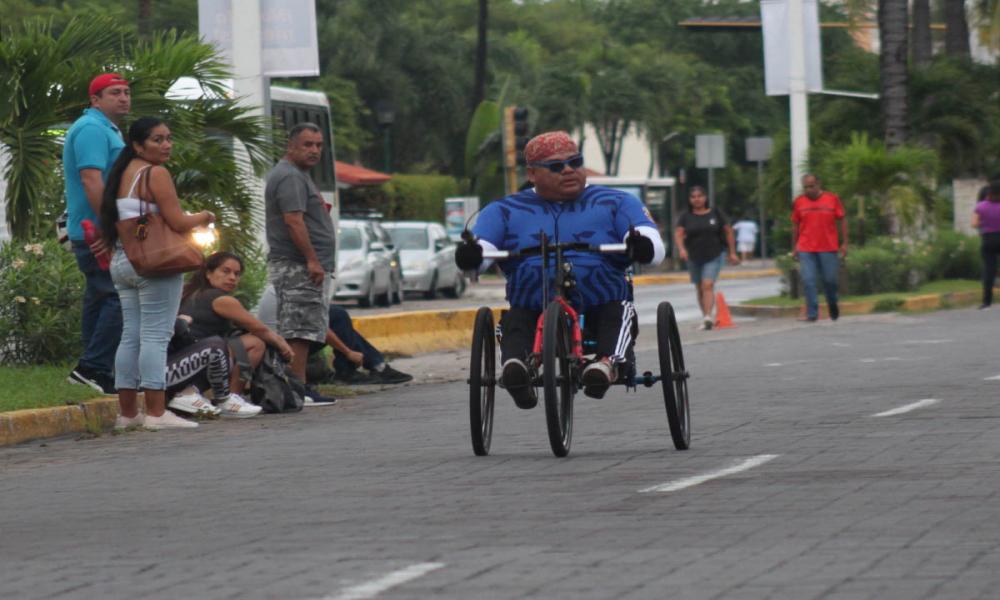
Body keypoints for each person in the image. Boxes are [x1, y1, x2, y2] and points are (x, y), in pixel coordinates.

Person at [455, 131, 665, 404]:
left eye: (575, 162)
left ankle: (605, 365)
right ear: (531, 174)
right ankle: (517, 369)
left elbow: (651, 242)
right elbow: (482, 251)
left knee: (619, 311)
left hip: (602, 304)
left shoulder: (616, 202)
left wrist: (640, 245)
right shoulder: (504, 210)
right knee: (516, 319)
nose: (568, 170)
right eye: (556, 166)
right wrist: (472, 255)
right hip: (532, 305)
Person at [99, 117, 216, 430]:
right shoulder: (156, 173)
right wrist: (206, 215)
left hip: (124, 260)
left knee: (132, 335)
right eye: (157, 140)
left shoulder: (123, 173)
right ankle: (155, 412)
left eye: (168, 138)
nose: (166, 145)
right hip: (155, 264)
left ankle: (127, 414)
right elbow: (177, 222)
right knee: (155, 336)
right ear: (138, 145)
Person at [63, 73, 131, 394]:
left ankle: (91, 369)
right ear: (95, 99)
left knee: (99, 296)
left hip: (93, 228)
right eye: (115, 92)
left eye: (126, 92)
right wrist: (109, 224)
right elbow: (92, 180)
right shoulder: (91, 128)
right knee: (117, 295)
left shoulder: (105, 128)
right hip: (95, 230)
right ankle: (92, 367)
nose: (123, 98)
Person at [179, 252, 312, 409]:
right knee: (255, 342)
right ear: (208, 273)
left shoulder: (192, 293)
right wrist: (282, 344)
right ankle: (230, 398)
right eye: (225, 271)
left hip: (181, 360)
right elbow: (258, 328)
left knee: (240, 340)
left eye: (237, 274)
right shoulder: (221, 300)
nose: (232, 278)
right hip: (196, 359)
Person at [264, 124, 337, 391]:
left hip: (302, 266)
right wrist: (312, 260)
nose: (314, 150)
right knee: (298, 333)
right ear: (291, 145)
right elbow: (294, 221)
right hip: (297, 267)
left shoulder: (298, 175)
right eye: (307, 145)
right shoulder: (290, 176)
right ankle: (297, 389)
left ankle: (297, 387)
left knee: (304, 330)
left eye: (318, 145)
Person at [256, 285, 414, 385]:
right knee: (337, 316)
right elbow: (320, 327)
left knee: (337, 318)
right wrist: (348, 352)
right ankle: (353, 370)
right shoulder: (297, 288)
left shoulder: (285, 284)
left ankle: (376, 365)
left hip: (287, 341)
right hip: (281, 349)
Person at [674, 186, 739, 330]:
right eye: (693, 197)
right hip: (694, 256)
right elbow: (678, 233)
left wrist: (732, 252)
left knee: (707, 284)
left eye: (700, 196)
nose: (697, 199)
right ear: (690, 200)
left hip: (714, 254)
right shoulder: (686, 216)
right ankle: (705, 317)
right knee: (699, 287)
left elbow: (728, 231)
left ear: (705, 198)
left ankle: (709, 316)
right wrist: (682, 250)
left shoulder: (716, 213)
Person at [791, 173, 848, 322]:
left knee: (830, 280)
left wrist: (845, 243)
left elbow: (842, 220)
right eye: (805, 187)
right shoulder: (799, 202)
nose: (808, 190)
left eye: (811, 186)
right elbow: (795, 224)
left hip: (828, 247)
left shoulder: (832, 199)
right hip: (805, 248)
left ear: (818, 184)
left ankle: (832, 303)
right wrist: (795, 246)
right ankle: (812, 313)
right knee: (808, 280)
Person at [972, 180, 1000, 309]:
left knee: (989, 270)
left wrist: (985, 224)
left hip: (988, 239)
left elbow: (974, 224)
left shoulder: (981, 206)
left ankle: (986, 302)